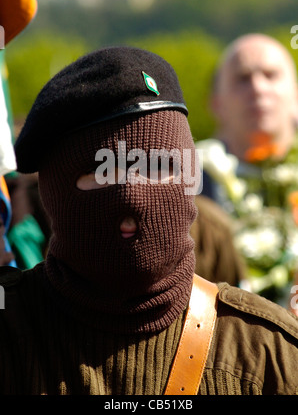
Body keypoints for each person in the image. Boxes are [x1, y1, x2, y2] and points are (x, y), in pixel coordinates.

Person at [0, 46, 297, 396]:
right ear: (55, 191)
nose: (132, 196)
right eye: (102, 171)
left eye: (159, 167)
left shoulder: (267, 353)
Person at [197, 34, 298, 303]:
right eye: (243, 78)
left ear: (296, 93)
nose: (258, 88)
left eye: (271, 75)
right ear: (216, 103)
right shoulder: (186, 180)